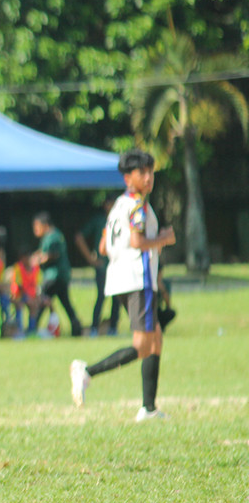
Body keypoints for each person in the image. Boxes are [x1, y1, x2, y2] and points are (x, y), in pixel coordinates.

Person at [70, 149, 176, 421]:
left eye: (151, 171)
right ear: (128, 178)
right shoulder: (138, 205)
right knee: (143, 345)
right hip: (137, 280)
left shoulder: (118, 205)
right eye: (143, 173)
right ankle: (87, 371)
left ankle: (149, 408)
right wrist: (163, 238)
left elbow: (104, 247)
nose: (149, 177)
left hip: (118, 280)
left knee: (156, 339)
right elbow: (138, 242)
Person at [75, 196, 122, 336]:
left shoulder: (121, 221)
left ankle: (113, 328)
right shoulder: (100, 221)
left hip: (117, 264)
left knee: (117, 297)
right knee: (101, 296)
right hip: (103, 265)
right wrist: (91, 259)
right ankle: (94, 328)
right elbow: (79, 237)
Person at [31, 212, 83, 337]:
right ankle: (77, 329)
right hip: (61, 276)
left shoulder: (53, 236)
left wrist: (38, 260)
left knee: (41, 301)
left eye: (37, 226)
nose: (35, 230)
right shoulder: (53, 236)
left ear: (45, 225)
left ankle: (32, 329)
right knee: (66, 303)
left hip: (53, 276)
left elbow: (52, 254)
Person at [7, 246, 43, 336]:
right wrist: (28, 298)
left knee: (37, 304)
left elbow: (38, 285)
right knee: (20, 305)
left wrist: (37, 297)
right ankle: (19, 330)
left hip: (31, 296)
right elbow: (19, 286)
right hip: (18, 296)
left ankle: (32, 330)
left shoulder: (36, 269)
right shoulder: (18, 268)